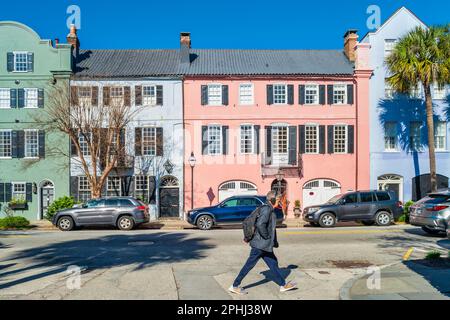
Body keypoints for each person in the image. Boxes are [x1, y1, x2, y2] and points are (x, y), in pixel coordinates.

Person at [229, 191, 297, 295]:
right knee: (249, 265)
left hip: (264, 245)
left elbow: (270, 227)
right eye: (278, 200)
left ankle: (283, 285)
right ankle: (234, 285)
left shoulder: (269, 209)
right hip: (260, 245)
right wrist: (267, 237)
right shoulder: (267, 209)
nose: (279, 202)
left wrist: (274, 241)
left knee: (273, 263)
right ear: (272, 200)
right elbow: (260, 224)